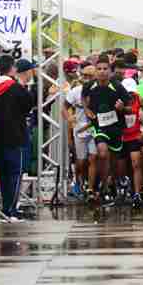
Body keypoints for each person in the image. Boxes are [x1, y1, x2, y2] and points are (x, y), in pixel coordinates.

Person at [0, 56, 35, 221]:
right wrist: (23, 86)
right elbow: (29, 104)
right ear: (13, 68)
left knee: (4, 176)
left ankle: (6, 209)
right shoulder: (15, 87)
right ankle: (11, 210)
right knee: (15, 175)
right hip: (16, 136)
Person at [83, 57, 130, 205]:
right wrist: (86, 109)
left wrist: (122, 108)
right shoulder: (89, 86)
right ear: (95, 71)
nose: (102, 72)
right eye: (99, 69)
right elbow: (83, 98)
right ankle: (103, 189)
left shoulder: (118, 87)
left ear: (110, 71)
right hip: (99, 126)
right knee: (102, 153)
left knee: (113, 161)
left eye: (105, 69)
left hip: (116, 127)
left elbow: (130, 108)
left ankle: (112, 184)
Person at [65, 65, 96, 200]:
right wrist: (69, 118)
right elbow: (64, 108)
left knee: (93, 158)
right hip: (79, 130)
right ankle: (78, 182)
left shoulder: (99, 91)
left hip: (94, 128)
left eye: (90, 76)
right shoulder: (75, 91)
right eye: (85, 76)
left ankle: (90, 188)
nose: (87, 79)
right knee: (81, 161)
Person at [117, 78, 143, 208]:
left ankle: (137, 193)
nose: (130, 95)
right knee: (121, 167)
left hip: (135, 136)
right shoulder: (117, 100)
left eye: (131, 93)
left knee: (136, 164)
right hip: (121, 137)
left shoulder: (140, 99)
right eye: (127, 93)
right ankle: (122, 189)